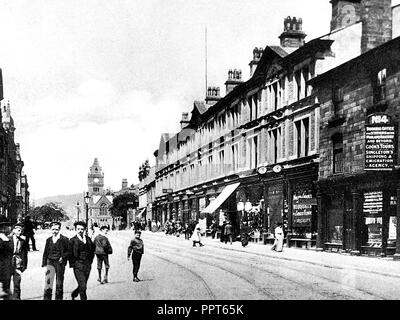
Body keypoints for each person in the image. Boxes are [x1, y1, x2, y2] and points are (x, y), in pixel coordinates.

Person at [42, 221, 70, 300]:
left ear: (59, 229)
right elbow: (45, 252)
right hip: (50, 262)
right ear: (51, 229)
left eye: (56, 229)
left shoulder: (64, 239)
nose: (55, 231)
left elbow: (69, 251)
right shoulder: (48, 240)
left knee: (59, 284)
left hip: (59, 263)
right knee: (48, 283)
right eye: (53, 229)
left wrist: (63, 257)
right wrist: (44, 263)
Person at [69, 221, 95, 300]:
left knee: (83, 285)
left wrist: (90, 261)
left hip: (87, 265)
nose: (80, 230)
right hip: (78, 266)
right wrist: (73, 264)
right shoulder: (72, 240)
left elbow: (92, 250)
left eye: (82, 229)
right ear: (75, 229)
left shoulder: (88, 239)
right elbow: (70, 254)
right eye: (78, 229)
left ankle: (75, 293)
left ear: (85, 229)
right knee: (83, 286)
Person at [9, 223, 28, 300]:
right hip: (8, 263)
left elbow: (24, 253)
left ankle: (17, 298)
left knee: (17, 283)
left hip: (18, 263)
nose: (19, 232)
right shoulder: (7, 239)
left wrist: (25, 265)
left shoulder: (23, 241)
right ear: (14, 230)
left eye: (21, 231)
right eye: (18, 230)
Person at [0, 221, 13, 300]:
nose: (10, 228)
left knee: (6, 290)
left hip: (6, 267)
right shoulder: (3, 239)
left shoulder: (7, 238)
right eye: (7, 226)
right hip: (2, 267)